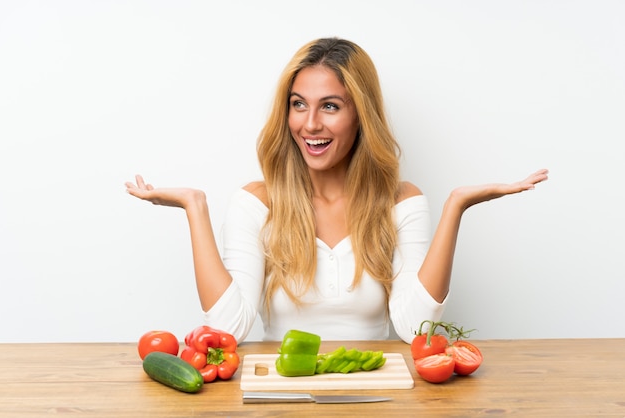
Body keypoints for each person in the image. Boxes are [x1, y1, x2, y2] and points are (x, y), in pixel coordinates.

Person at [125, 37, 548, 344]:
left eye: (330, 106)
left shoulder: (401, 201)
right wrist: (194, 208)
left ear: (360, 115)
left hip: (376, 388)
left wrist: (456, 205)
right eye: (298, 104)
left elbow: (414, 328)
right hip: (283, 392)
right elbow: (227, 330)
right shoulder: (257, 203)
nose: (310, 124)